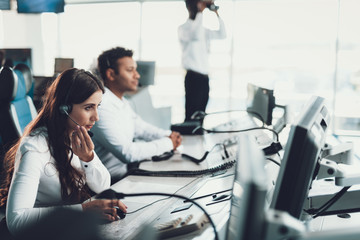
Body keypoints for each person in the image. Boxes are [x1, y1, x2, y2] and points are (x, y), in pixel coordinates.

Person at [0, 68, 127, 236]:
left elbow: (103, 186)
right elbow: (17, 220)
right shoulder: (34, 148)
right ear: (64, 108)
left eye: (98, 107)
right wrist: (83, 210)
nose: (96, 117)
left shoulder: (75, 136)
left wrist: (88, 159)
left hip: (66, 229)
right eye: (88, 107)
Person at [92, 47, 182, 183]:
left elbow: (142, 129)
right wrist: (168, 143)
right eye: (130, 70)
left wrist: (168, 135)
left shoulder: (121, 102)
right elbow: (127, 153)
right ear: (111, 74)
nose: (137, 75)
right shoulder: (101, 105)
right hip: (109, 183)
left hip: (124, 175)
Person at [178, 0, 226, 122]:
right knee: (191, 115)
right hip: (193, 77)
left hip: (204, 78)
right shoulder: (183, 29)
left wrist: (216, 13)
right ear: (190, 7)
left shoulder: (203, 30)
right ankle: (189, 139)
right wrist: (199, 12)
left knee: (201, 114)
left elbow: (223, 34)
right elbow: (195, 35)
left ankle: (199, 139)